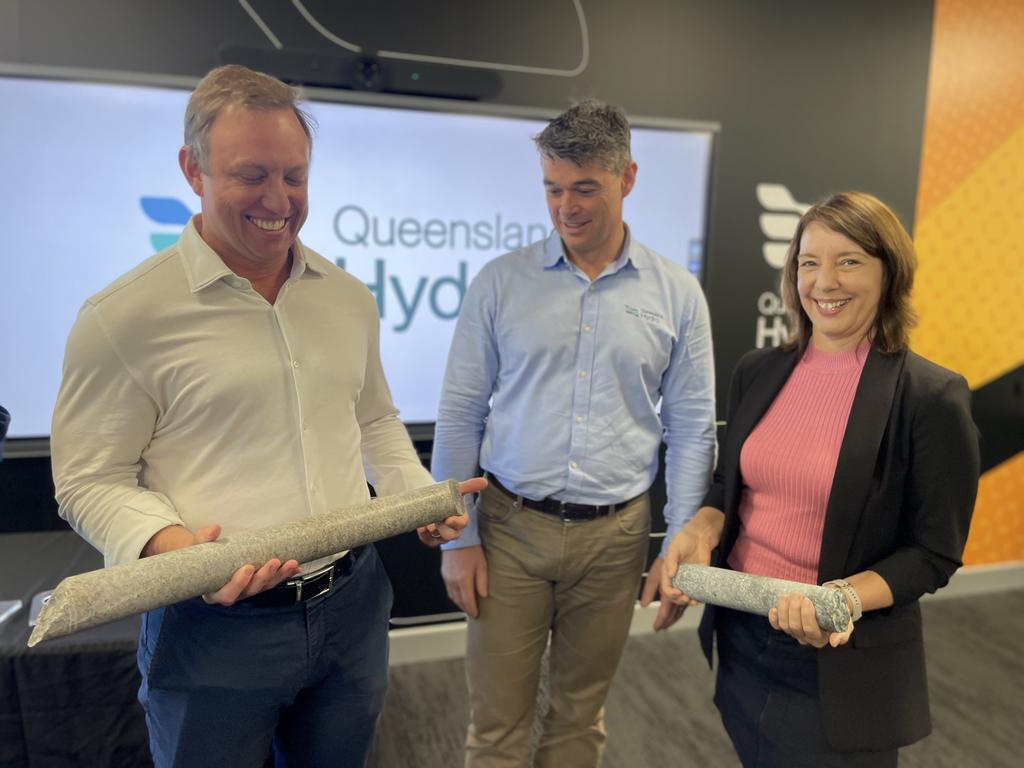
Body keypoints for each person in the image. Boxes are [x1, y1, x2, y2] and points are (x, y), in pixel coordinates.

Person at [50, 65, 484, 768]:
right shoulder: (121, 318)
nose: (279, 200)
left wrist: (413, 496)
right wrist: (174, 549)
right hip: (212, 626)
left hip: (352, 607)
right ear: (192, 169)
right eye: (251, 175)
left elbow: (373, 421)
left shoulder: (347, 298)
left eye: (295, 176)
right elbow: (87, 479)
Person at [431, 100, 716, 767]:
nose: (567, 206)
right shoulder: (501, 283)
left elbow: (693, 430)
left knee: (579, 722)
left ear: (628, 178)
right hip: (509, 530)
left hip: (614, 541)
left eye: (585, 187)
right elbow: (461, 413)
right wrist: (460, 536)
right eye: (554, 189)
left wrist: (677, 545)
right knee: (496, 729)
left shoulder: (677, 294)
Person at [662, 191, 980, 767]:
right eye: (810, 262)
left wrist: (839, 600)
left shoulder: (930, 396)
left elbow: (935, 552)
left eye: (849, 260)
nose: (825, 282)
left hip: (837, 658)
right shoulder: (758, 370)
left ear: (890, 272)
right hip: (741, 636)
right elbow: (727, 489)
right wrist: (700, 528)